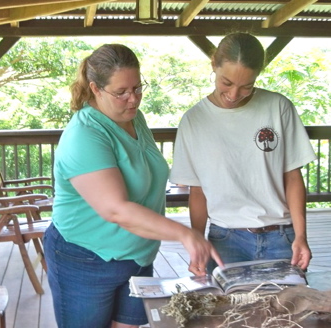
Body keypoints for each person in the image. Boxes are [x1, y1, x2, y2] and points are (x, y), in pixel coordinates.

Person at [43, 43, 223, 328]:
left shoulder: (134, 118)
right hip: (85, 258)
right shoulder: (85, 134)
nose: (133, 99)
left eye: (138, 88)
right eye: (121, 92)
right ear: (95, 89)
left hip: (137, 255)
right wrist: (185, 234)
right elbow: (116, 210)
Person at [169, 32, 317, 274]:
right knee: (227, 311)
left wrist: (300, 236)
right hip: (225, 239)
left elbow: (293, 177)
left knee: (286, 310)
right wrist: (198, 242)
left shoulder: (278, 107)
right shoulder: (194, 120)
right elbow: (198, 191)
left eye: (246, 86)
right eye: (226, 82)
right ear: (213, 65)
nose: (234, 94)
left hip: (281, 237)